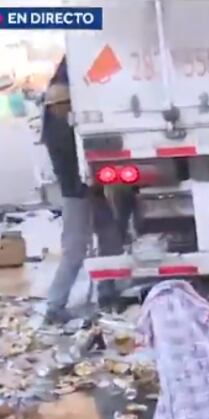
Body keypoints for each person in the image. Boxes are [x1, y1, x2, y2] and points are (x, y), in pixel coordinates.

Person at [42, 81, 124, 324]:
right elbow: (80, 161)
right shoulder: (61, 132)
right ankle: (55, 305)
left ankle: (108, 292)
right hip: (77, 195)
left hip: (89, 192)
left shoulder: (61, 126)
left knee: (110, 238)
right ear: (59, 106)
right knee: (75, 250)